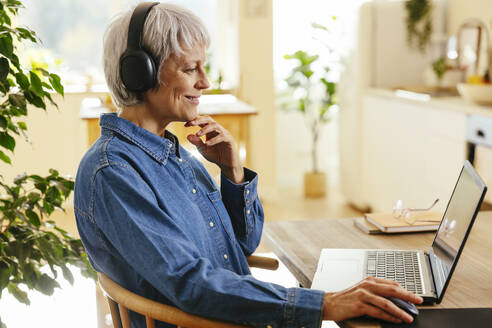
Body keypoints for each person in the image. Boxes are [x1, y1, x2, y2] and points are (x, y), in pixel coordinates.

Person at [74, 3, 422, 328]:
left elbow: (242, 244)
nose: (204, 82)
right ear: (140, 73)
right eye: (189, 68)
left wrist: (232, 173)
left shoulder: (175, 153)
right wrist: (323, 304)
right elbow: (189, 283)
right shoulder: (114, 173)